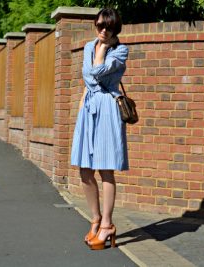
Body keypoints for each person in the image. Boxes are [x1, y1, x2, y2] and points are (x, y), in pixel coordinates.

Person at [70, 8, 129, 250]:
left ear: (116, 29)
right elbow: (88, 78)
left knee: (105, 169)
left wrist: (103, 50)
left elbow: (94, 72)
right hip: (88, 109)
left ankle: (107, 225)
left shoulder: (121, 51)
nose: (104, 31)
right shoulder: (87, 46)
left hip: (108, 109)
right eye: (100, 26)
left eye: (109, 27)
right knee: (85, 169)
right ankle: (95, 218)